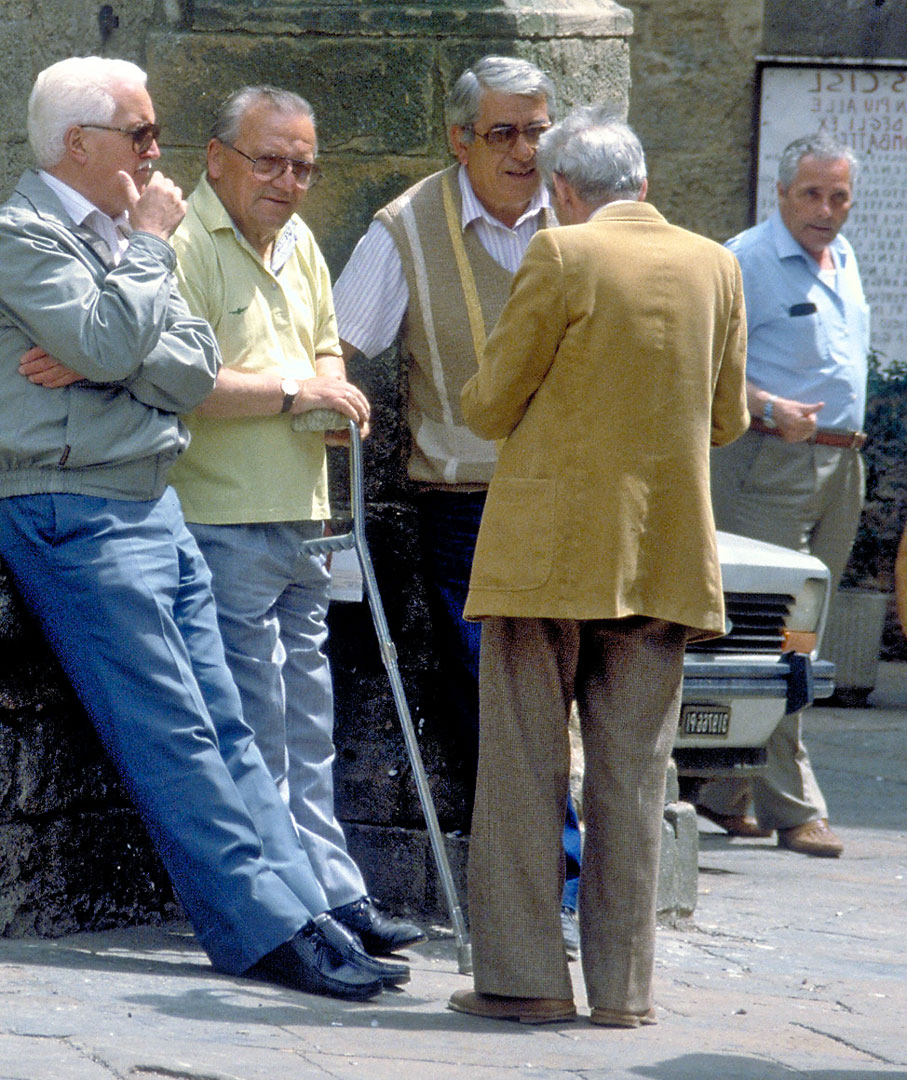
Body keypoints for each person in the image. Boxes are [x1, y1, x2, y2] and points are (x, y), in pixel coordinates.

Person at [0, 55, 403, 1003]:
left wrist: (106, 351)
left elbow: (190, 362)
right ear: (77, 145)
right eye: (143, 134)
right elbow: (122, 346)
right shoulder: (22, 236)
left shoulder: (119, 238)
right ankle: (266, 932)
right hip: (73, 505)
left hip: (151, 500)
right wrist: (143, 271)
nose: (157, 154)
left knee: (231, 729)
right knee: (180, 736)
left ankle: (306, 909)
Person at [444, 106, 747, 1028]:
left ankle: (526, 979)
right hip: (663, 554)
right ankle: (623, 993)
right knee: (633, 778)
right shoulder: (717, 265)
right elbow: (726, 417)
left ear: (562, 192)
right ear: (644, 183)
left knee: (526, 769)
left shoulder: (562, 256)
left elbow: (491, 404)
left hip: (549, 560)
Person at [165, 85, 425, 958]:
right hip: (222, 513)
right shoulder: (183, 243)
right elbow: (182, 382)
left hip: (307, 510)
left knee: (309, 719)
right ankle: (285, 900)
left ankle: (334, 891)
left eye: (303, 166)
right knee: (253, 719)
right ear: (216, 157)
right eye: (268, 160)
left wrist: (330, 389)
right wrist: (293, 392)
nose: (287, 180)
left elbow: (324, 341)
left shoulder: (300, 239)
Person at [332, 55, 584, 954]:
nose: (525, 151)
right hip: (469, 506)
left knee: (588, 691)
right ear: (461, 139)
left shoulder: (583, 209)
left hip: (581, 500)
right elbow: (337, 342)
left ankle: (567, 882)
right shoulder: (406, 228)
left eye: (538, 129)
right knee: (495, 696)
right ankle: (548, 886)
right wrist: (323, 401)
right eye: (505, 133)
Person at [693, 133, 870, 859]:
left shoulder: (845, 258)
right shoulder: (746, 260)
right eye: (812, 194)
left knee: (803, 637)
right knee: (779, 638)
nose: (825, 210)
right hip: (766, 463)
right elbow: (702, 367)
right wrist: (768, 409)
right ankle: (796, 808)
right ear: (781, 192)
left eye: (838, 198)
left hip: (839, 470)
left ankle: (722, 788)